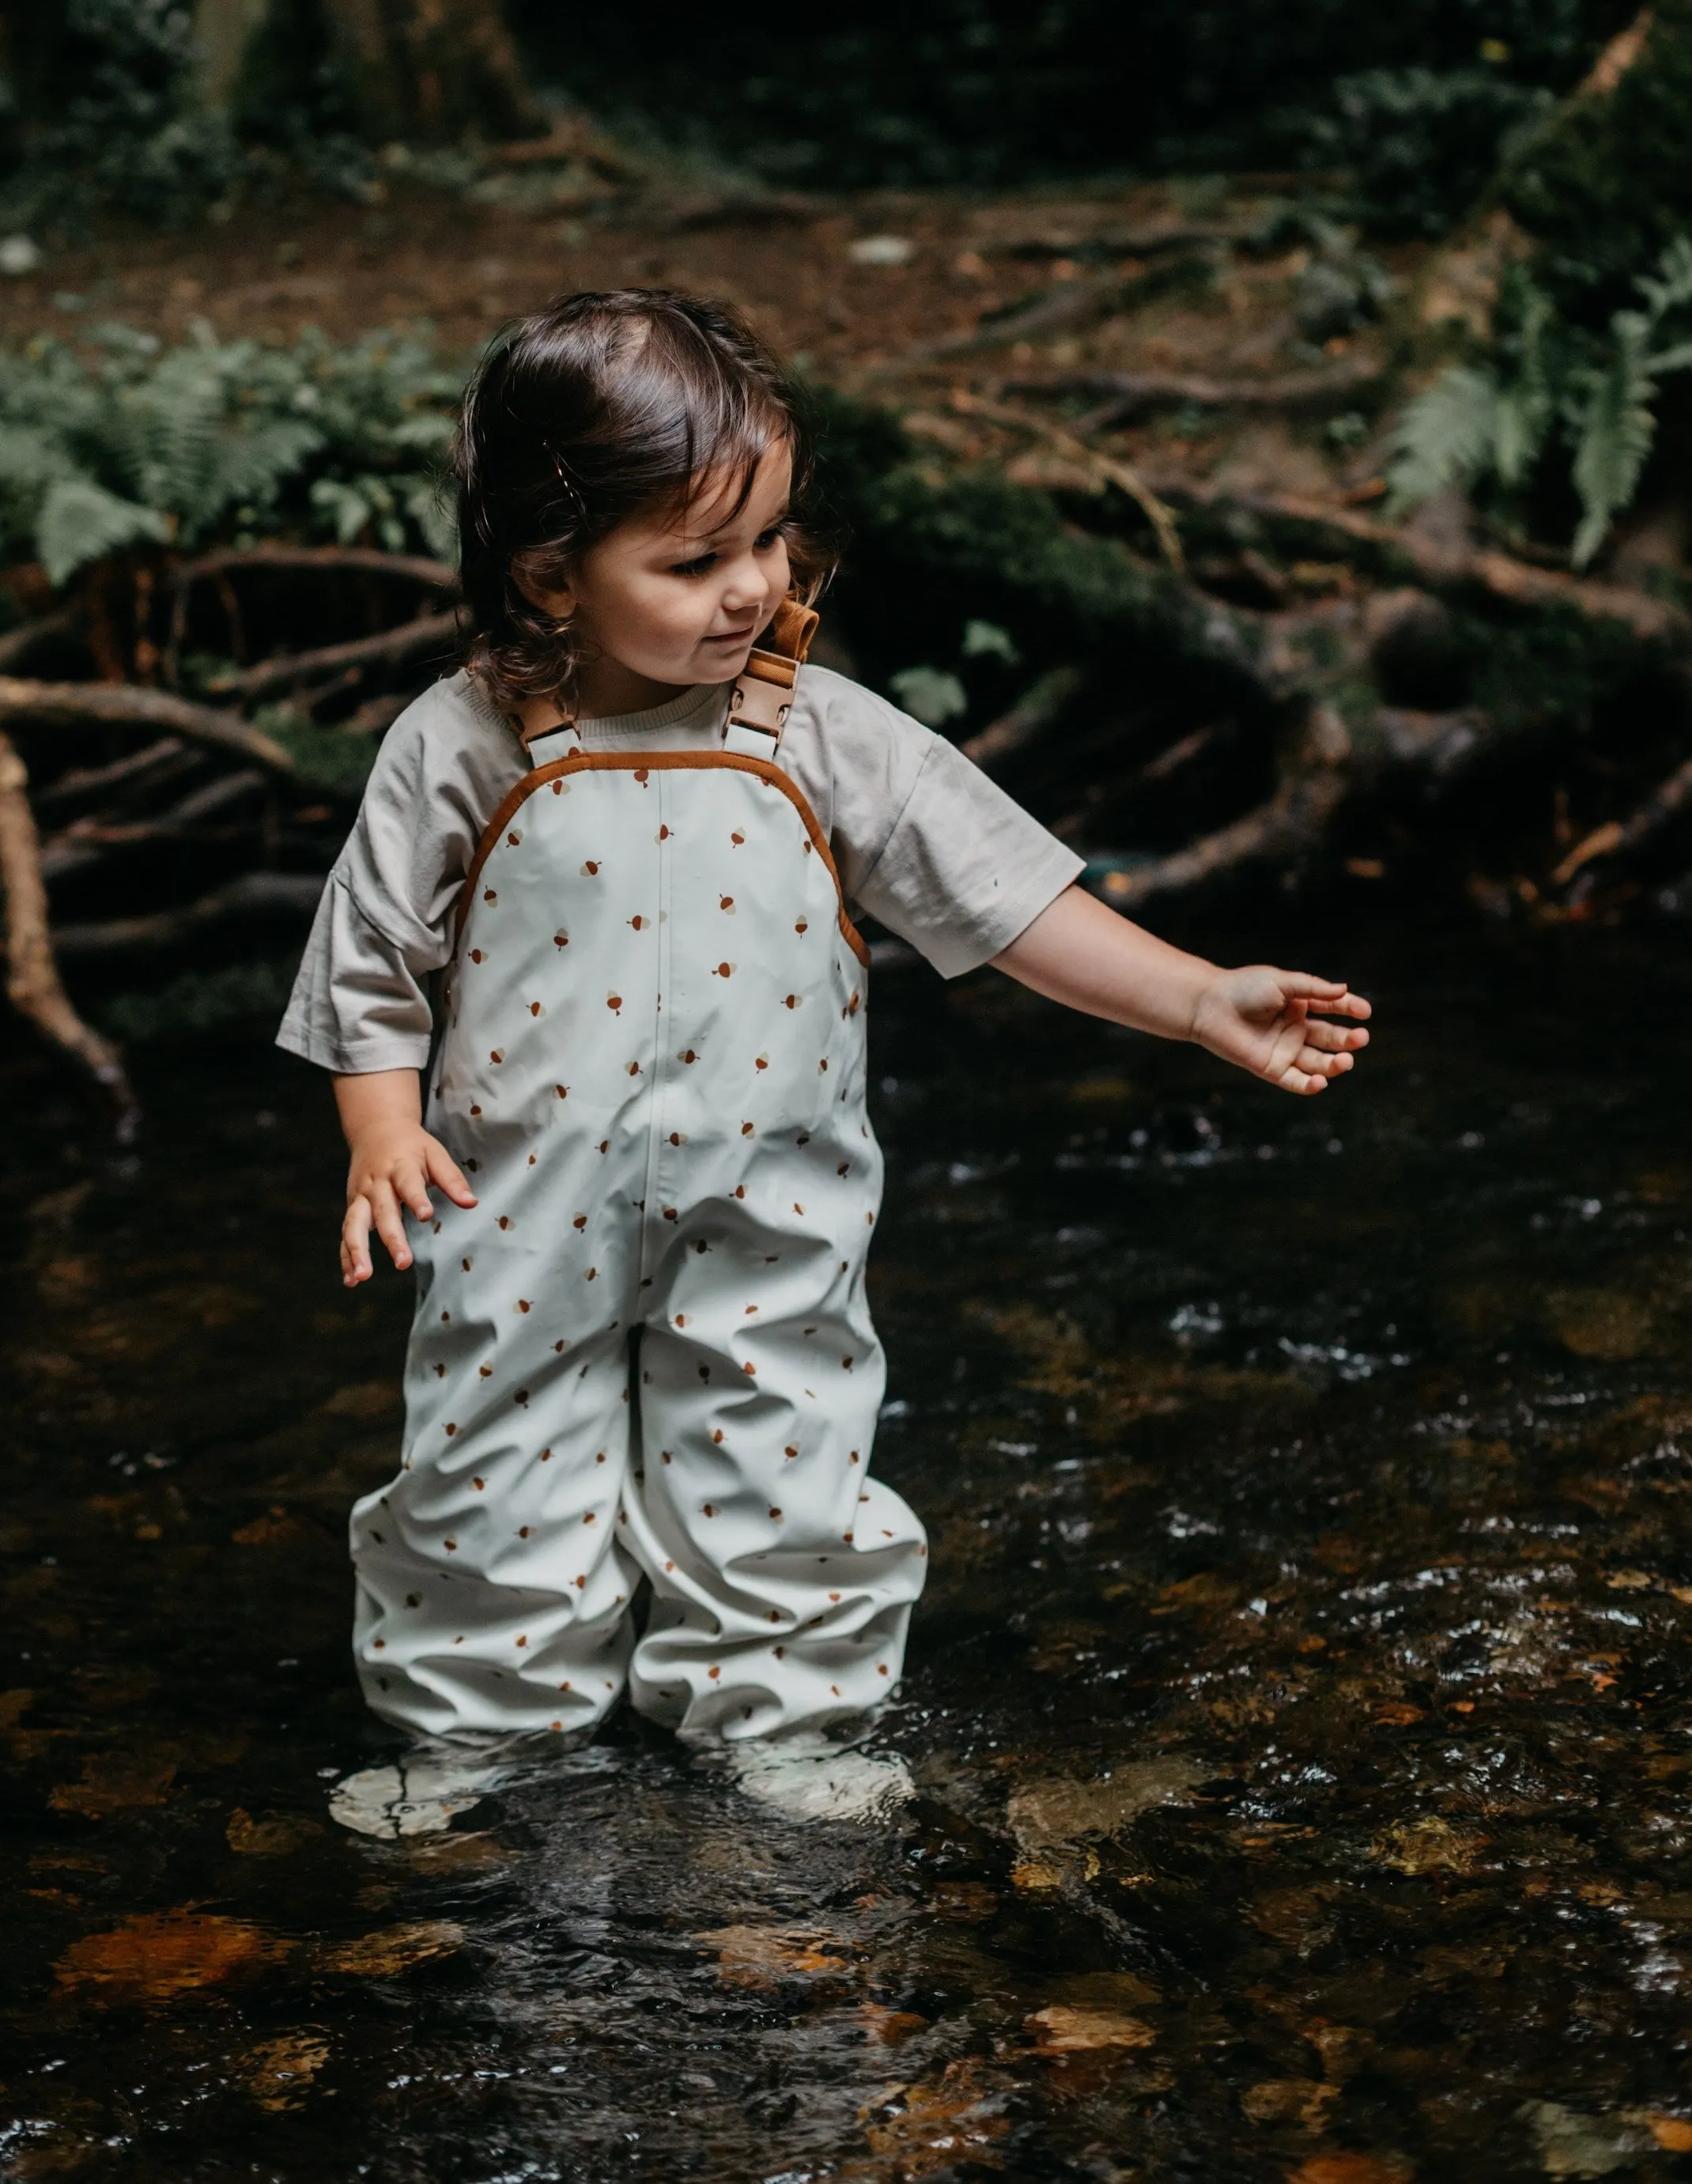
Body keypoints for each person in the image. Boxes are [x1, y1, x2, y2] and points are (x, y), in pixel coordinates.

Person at [278, 291, 1369, 1834]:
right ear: (549, 573)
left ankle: (777, 1716)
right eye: (694, 560)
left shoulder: (819, 733)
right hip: (516, 1214)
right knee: (487, 1468)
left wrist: (1197, 1000)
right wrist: (379, 1129)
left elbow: (1005, 900)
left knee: (783, 1464)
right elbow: (372, 963)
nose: (753, 587)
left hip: (773, 1210)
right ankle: (481, 1735)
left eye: (773, 541)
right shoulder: (460, 743)